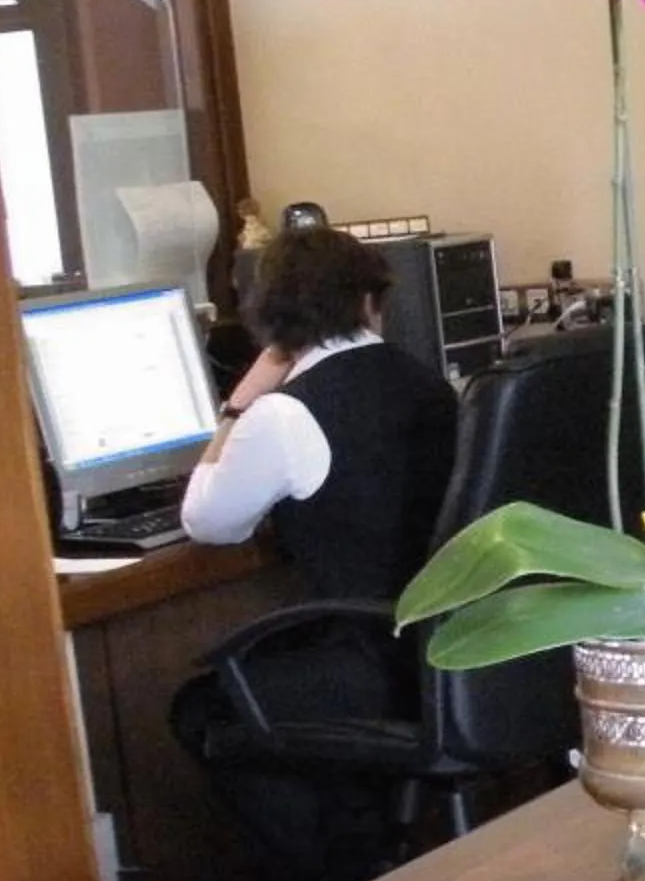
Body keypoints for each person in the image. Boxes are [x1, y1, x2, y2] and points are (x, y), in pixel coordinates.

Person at [179, 224, 459, 604]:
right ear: (367, 302)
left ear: (271, 318)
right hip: (440, 635)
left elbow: (206, 522)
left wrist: (237, 406)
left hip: (355, 640)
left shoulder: (282, 414)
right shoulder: (434, 385)